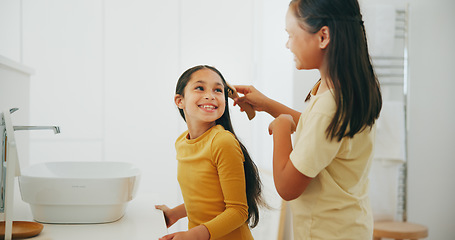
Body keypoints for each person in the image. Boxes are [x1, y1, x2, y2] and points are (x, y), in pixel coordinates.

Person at [233, 0, 382, 239]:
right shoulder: (345, 92)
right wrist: (268, 105)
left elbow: (287, 186)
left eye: (291, 35)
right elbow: (321, 133)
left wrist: (281, 126)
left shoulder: (329, 106)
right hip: (351, 228)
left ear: (323, 36)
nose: (287, 44)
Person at [155, 65, 263, 240]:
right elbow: (206, 199)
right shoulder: (182, 142)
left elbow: (238, 211)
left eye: (218, 90)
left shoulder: (222, 142)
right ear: (179, 100)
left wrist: (193, 235)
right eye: (200, 88)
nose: (210, 95)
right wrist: (173, 214)